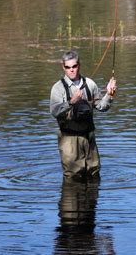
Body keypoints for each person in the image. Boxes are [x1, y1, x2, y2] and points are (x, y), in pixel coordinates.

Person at [50, 51, 117, 180]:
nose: (71, 70)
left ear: (79, 65)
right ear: (63, 67)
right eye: (68, 67)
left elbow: (101, 107)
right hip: (68, 139)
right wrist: (71, 102)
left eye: (74, 66)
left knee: (94, 172)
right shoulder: (57, 88)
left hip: (88, 136)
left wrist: (109, 94)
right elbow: (54, 111)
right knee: (73, 176)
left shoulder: (90, 84)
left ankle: (92, 199)